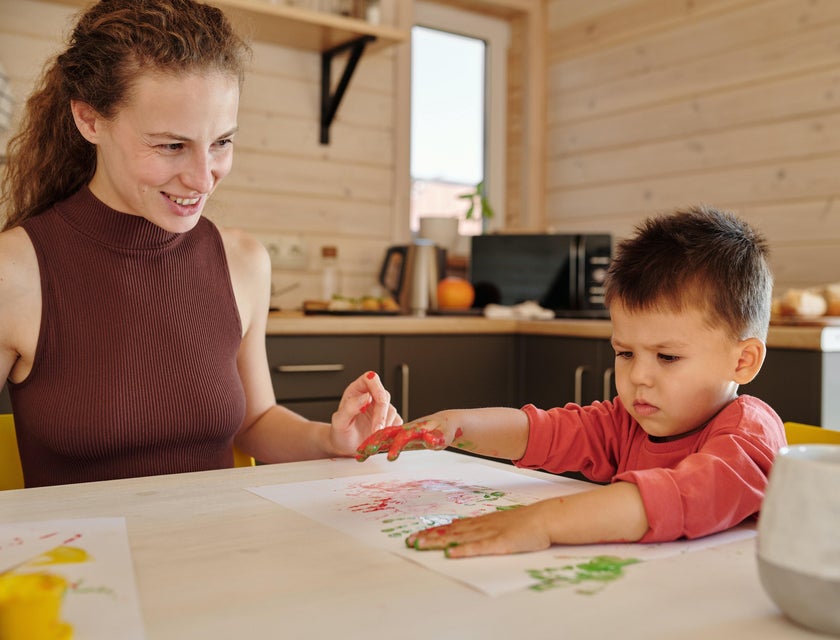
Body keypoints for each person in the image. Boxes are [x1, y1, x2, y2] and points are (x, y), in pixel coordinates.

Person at [0, 0, 400, 488]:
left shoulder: (243, 262)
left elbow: (254, 423)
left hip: (219, 556)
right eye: (171, 145)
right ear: (89, 121)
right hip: (82, 561)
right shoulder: (15, 270)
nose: (202, 177)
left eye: (222, 142)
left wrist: (332, 440)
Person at [356, 205, 786, 558]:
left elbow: (679, 495)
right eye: (625, 353)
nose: (638, 376)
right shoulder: (628, 422)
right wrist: (453, 427)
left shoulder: (749, 434)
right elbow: (543, 432)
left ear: (743, 361)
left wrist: (541, 521)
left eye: (667, 357)